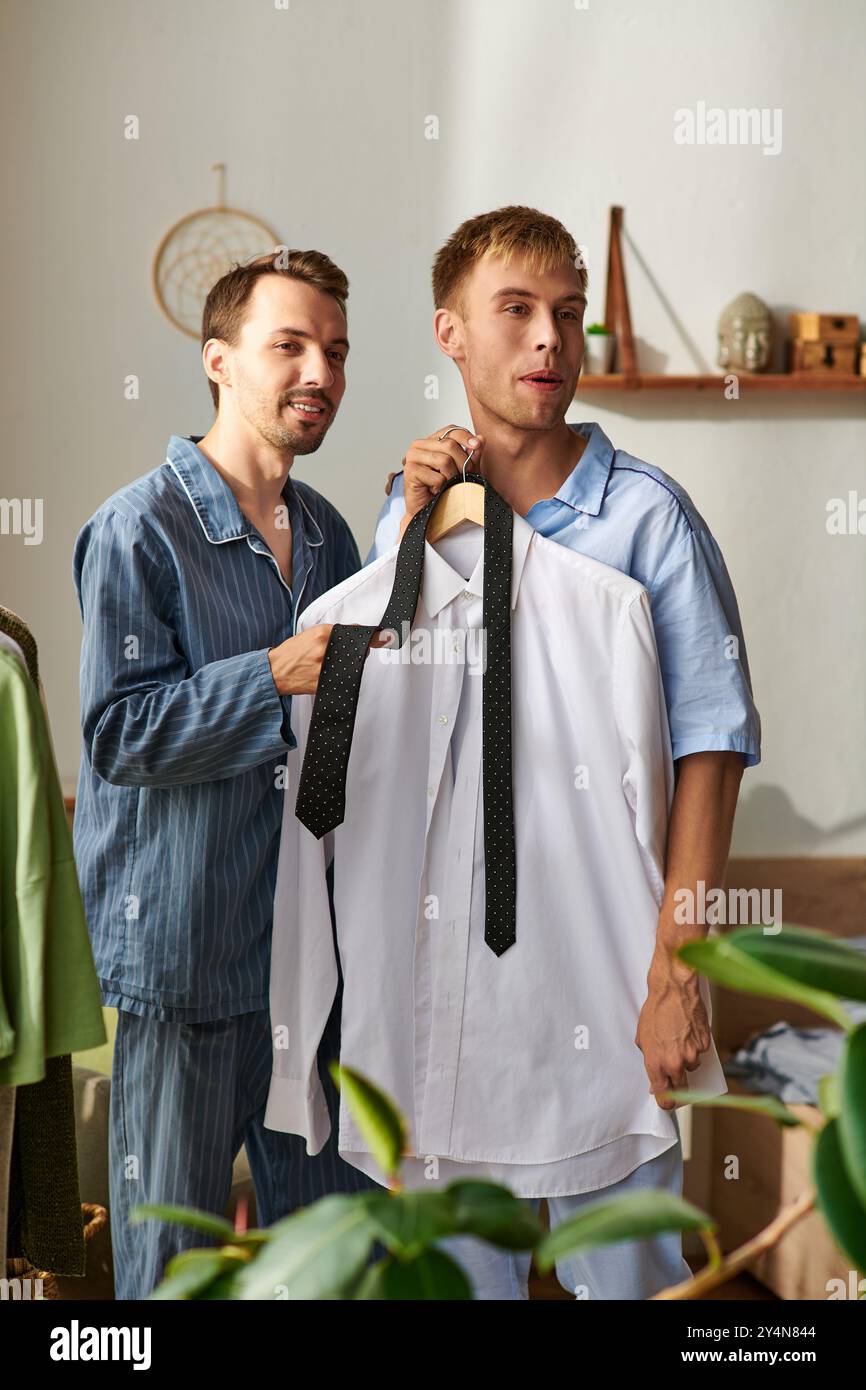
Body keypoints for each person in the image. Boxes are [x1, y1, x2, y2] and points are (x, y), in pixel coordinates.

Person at [364, 205, 761, 1298]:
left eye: (568, 315)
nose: (550, 340)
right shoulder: (406, 514)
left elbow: (711, 750)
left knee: (626, 1286)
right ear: (449, 331)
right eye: (517, 311)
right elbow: (365, 738)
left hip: (606, 984)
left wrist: (676, 973)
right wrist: (410, 527)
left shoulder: (647, 521)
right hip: (445, 994)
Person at [72, 249, 380, 1300]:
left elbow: (342, 746)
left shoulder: (333, 533)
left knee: (333, 1265)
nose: (320, 371)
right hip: (184, 965)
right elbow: (118, 732)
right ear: (219, 361)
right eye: (288, 344)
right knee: (171, 1271)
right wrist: (274, 675)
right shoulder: (136, 529)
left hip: (312, 972)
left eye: (334, 351)